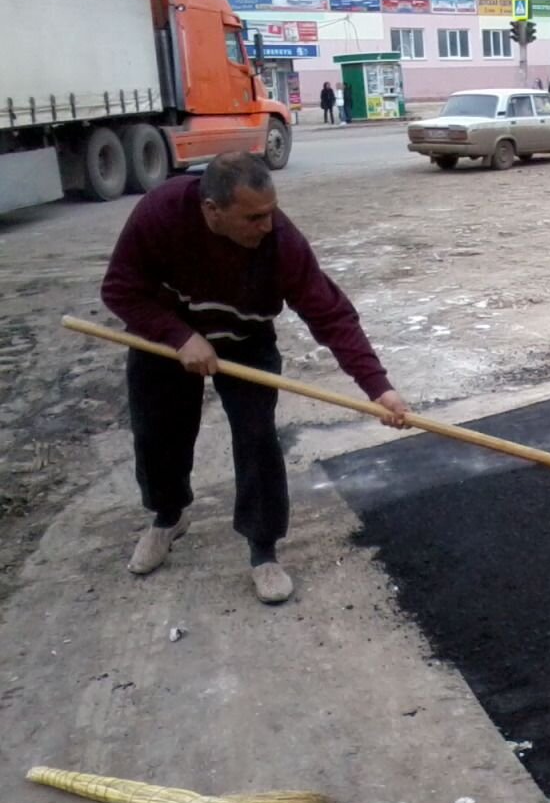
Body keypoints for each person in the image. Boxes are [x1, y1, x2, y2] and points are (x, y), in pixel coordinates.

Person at [101, 153, 409, 605]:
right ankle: (168, 516)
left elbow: (331, 315)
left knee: (257, 436)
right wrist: (180, 336)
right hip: (166, 338)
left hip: (246, 338)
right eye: (253, 217)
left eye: (271, 211)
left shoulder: (280, 241)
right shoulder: (161, 214)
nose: (268, 225)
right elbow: (119, 289)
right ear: (213, 210)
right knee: (157, 430)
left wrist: (379, 388)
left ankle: (262, 548)